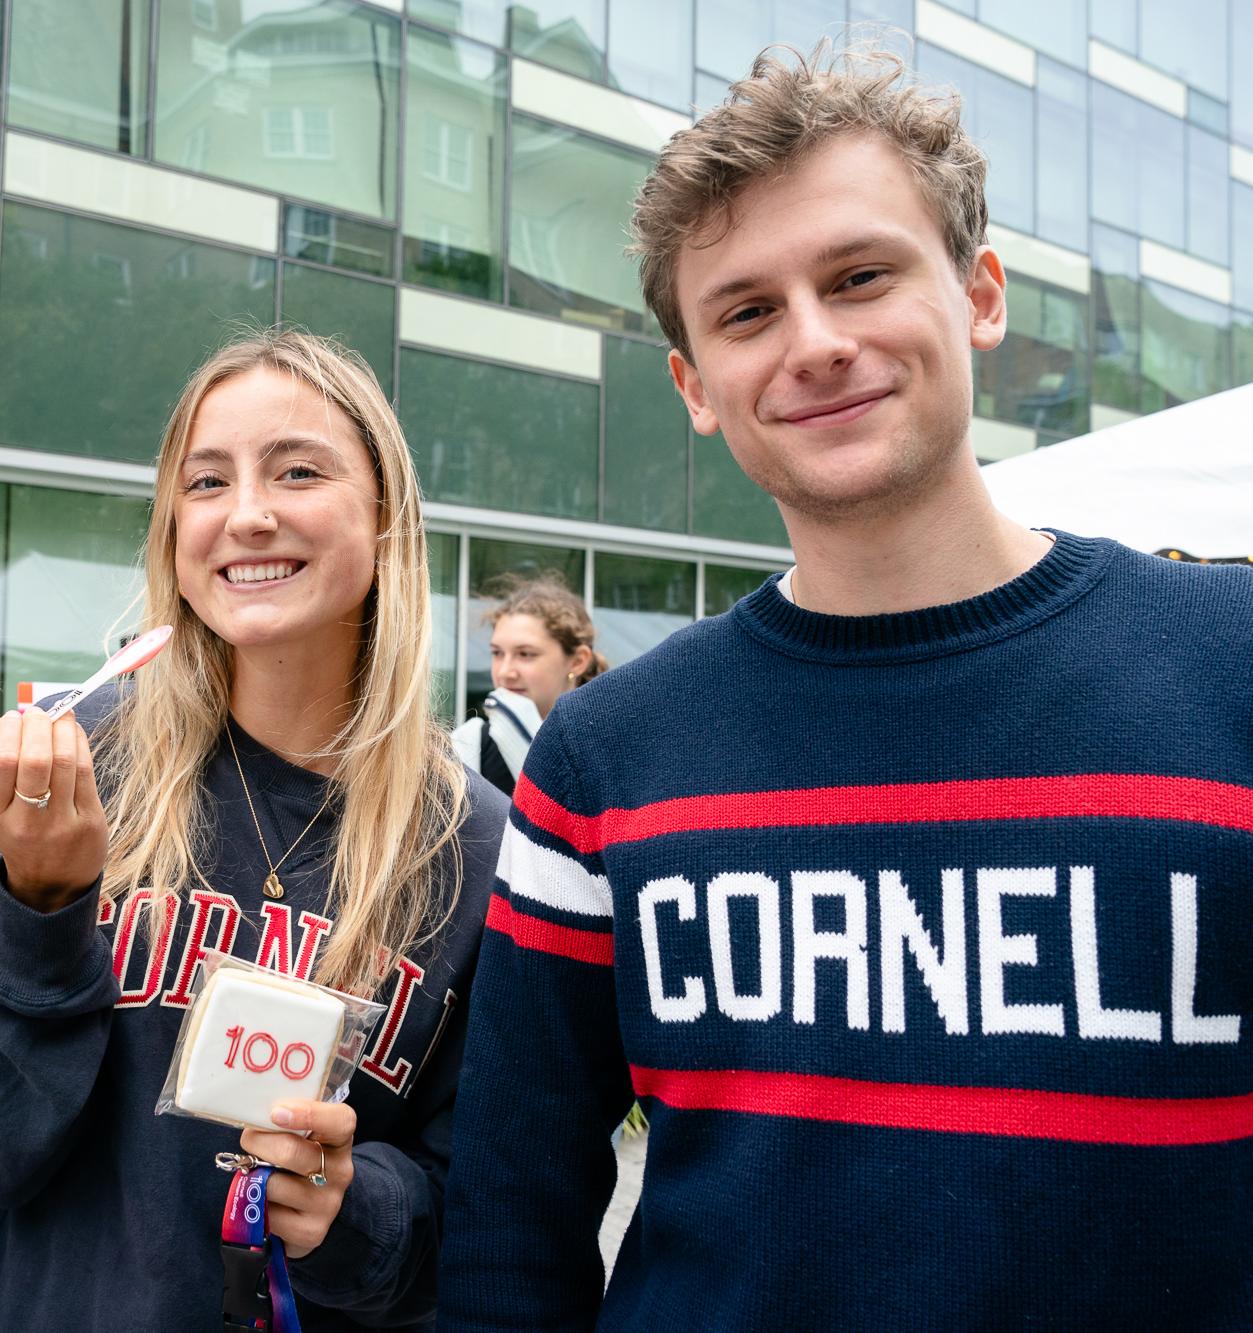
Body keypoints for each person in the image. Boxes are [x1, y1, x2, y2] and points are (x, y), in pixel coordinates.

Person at [436, 42, 1251, 1331]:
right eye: (745, 313)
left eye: (860, 277)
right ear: (694, 387)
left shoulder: (1230, 665)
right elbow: (505, 1240)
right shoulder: (602, 758)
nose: (813, 344)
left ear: (978, 294)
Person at [0, 330, 508, 1330]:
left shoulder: (478, 849)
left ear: (386, 517)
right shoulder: (63, 775)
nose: (247, 514)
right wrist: (39, 912)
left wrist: (353, 1212)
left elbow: (499, 1225)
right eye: (206, 482)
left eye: (297, 471)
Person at [452, 579, 605, 797]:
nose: (505, 672)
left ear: (578, 661)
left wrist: (526, 745)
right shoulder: (471, 744)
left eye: (525, 654)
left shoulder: (610, 747)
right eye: (497, 653)